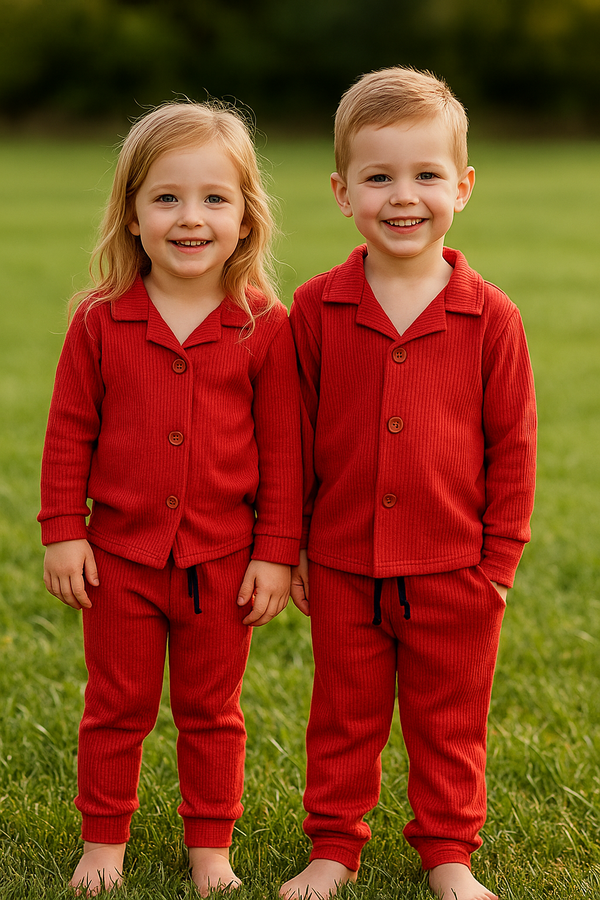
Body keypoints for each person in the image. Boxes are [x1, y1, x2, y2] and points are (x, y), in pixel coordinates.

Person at [280, 67, 536, 900]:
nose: (403, 196)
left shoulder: (489, 315)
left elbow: (515, 449)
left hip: (454, 566)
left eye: (427, 175)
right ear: (341, 190)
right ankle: (333, 848)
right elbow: (292, 445)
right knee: (343, 718)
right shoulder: (314, 311)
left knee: (448, 724)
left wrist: (495, 565)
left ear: (462, 186)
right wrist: (295, 552)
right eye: (379, 176)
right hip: (345, 563)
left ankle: (448, 853)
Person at [38, 100, 302, 897]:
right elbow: (68, 435)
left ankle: (210, 847)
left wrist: (276, 554)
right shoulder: (98, 322)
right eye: (167, 198)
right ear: (131, 213)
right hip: (117, 561)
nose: (191, 218)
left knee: (212, 710)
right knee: (115, 705)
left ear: (247, 217)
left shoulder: (265, 325)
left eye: (215, 198)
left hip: (221, 564)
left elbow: (285, 454)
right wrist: (63, 532)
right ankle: (103, 840)